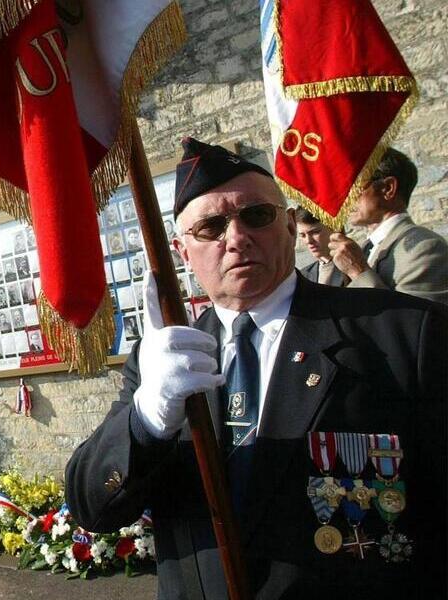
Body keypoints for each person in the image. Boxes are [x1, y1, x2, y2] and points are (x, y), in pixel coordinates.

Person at [65, 138, 447, 598]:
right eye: (210, 227)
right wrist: (147, 419)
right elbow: (92, 506)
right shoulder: (162, 359)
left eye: (256, 215)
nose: (237, 237)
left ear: (289, 226)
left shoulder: (402, 332)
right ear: (182, 251)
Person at [328, 147, 448, 304]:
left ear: (388, 188)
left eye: (354, 185)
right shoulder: (365, 249)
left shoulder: (425, 248)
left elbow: (412, 322)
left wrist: (358, 272)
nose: (346, 196)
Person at [294, 207, 346, 287]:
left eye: (315, 232)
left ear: (335, 228)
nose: (308, 241)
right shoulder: (302, 276)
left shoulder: (356, 265)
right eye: (303, 235)